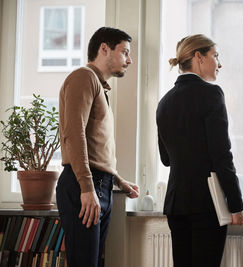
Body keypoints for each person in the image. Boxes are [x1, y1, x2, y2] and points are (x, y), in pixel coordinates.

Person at [156, 34, 243, 267]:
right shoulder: (212, 94)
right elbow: (221, 155)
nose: (219, 63)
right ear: (198, 56)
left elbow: (166, 159)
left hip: (176, 204)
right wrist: (236, 205)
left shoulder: (164, 102)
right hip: (207, 205)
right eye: (215, 56)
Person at [56, 27, 139, 267]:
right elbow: (74, 134)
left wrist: (117, 179)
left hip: (98, 184)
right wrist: (86, 186)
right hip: (85, 184)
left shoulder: (97, 85)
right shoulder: (83, 77)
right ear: (104, 48)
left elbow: (95, 145)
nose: (129, 60)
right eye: (124, 52)